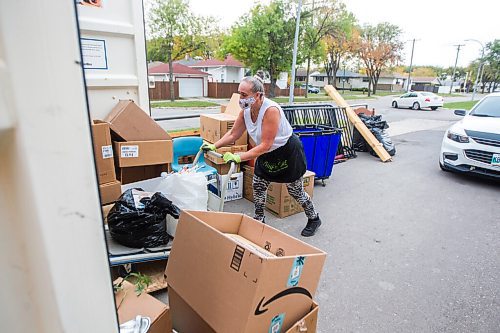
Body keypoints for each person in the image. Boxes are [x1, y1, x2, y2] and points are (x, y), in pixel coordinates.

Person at [201, 74, 322, 237]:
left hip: (286, 152)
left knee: (295, 191)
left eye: (244, 95)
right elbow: (233, 134)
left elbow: (266, 144)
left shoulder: (271, 110)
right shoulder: (245, 111)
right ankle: (259, 220)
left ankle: (314, 218)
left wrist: (239, 157)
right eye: (239, 93)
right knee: (258, 185)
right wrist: (214, 145)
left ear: (257, 95)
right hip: (266, 153)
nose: (240, 98)